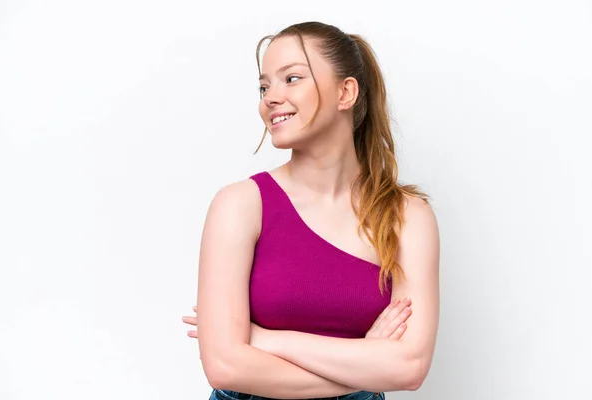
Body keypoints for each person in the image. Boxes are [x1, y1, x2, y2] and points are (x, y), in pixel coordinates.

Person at [182, 21, 440, 400]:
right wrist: (367, 363)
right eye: (264, 85)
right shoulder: (240, 204)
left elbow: (409, 367)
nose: (270, 97)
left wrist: (265, 340)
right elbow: (224, 365)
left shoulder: (407, 216)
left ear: (345, 92)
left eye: (292, 78)